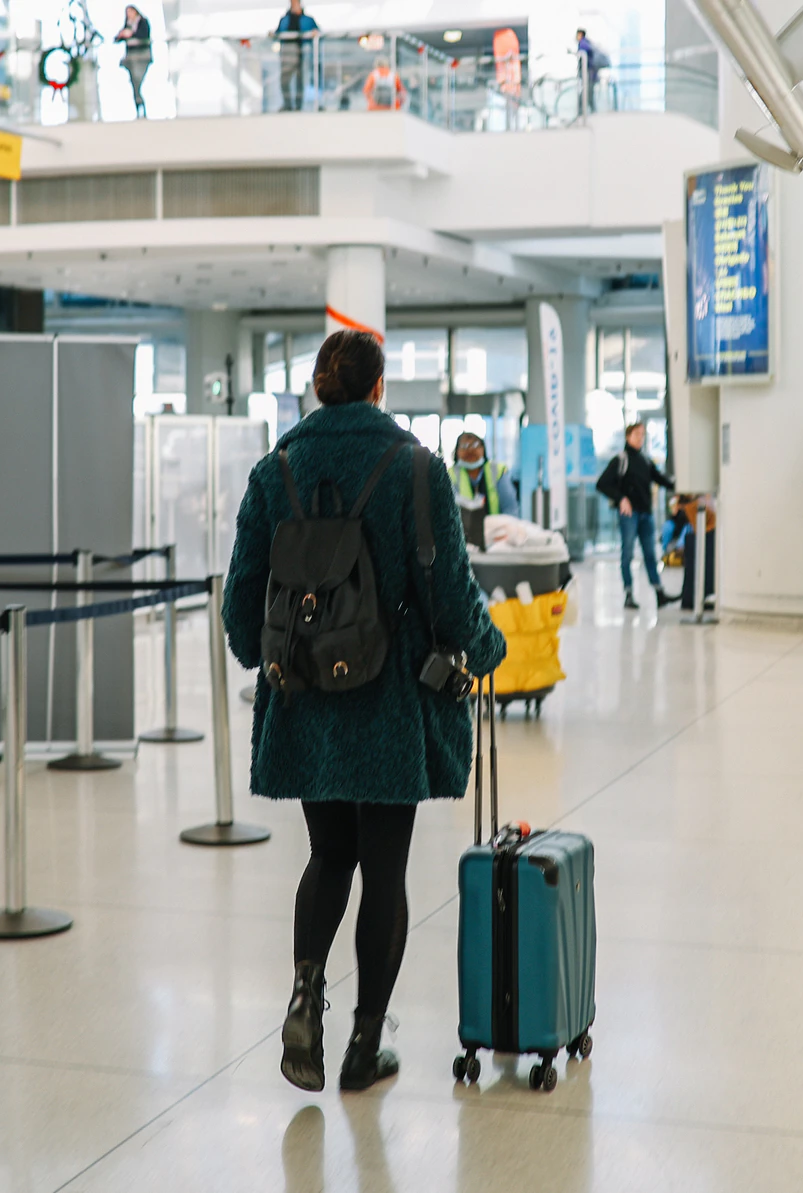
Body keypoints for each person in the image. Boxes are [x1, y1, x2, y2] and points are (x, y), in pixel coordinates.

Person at [224, 329, 506, 1095]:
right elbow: (450, 593)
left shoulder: (274, 468)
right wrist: (487, 648)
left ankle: (306, 994)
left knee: (328, 854)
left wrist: (275, 660)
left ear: (320, 388)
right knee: (385, 868)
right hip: (388, 701)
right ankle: (363, 1046)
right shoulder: (415, 467)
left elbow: (239, 605)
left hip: (308, 697)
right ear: (378, 388)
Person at [596, 422, 676, 610]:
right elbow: (602, 484)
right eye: (637, 434)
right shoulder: (621, 459)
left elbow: (661, 479)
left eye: (642, 434)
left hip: (645, 514)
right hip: (629, 515)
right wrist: (621, 498)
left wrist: (682, 487)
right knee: (628, 554)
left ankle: (659, 593)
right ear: (628, 436)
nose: (641, 438)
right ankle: (628, 593)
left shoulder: (646, 461)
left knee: (650, 554)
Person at [451, 431, 517, 523]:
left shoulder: (497, 471)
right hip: (462, 532)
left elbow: (510, 509)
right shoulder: (450, 475)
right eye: (464, 446)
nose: (470, 450)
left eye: (475, 445)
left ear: (483, 448)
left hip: (495, 531)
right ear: (457, 451)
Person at [273, 0, 320, 113]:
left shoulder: (308, 20)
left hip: (303, 51)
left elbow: (317, 32)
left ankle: (299, 105)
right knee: (285, 79)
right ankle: (287, 104)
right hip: (287, 51)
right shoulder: (284, 19)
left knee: (300, 79)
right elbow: (278, 33)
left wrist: (314, 33)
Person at [117, 6, 153, 119]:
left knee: (138, 80)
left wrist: (131, 34)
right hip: (131, 58)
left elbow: (143, 35)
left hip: (142, 56)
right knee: (134, 82)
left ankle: (141, 103)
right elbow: (118, 38)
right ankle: (139, 107)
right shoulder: (127, 24)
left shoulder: (143, 22)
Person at [574, 28, 608, 111]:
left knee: (586, 92)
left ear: (580, 34)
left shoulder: (583, 44)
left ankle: (582, 111)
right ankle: (590, 110)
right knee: (589, 91)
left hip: (588, 72)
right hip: (591, 72)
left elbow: (585, 55)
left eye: (577, 35)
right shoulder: (588, 42)